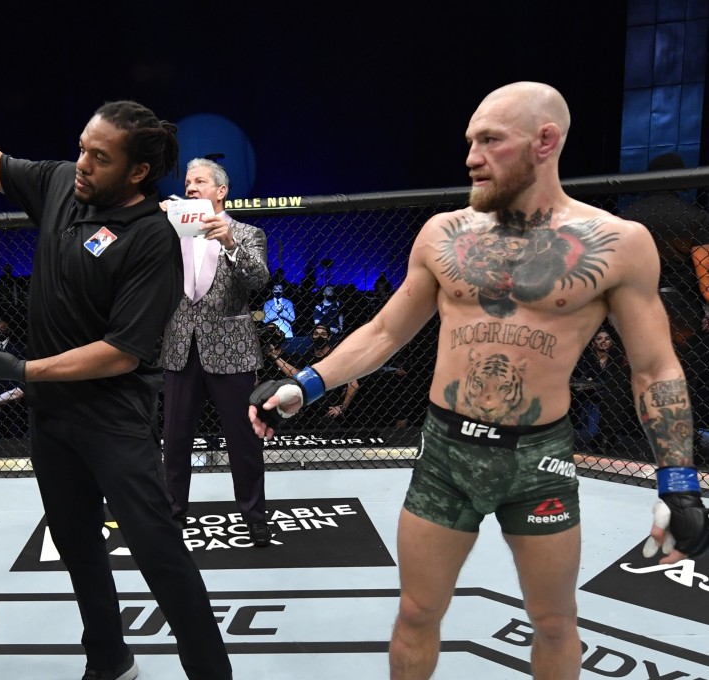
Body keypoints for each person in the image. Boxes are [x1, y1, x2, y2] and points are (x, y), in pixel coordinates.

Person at [249, 81, 709, 679]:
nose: (471, 156)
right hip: (446, 453)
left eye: (490, 140)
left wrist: (679, 481)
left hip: (539, 459)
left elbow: (655, 367)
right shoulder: (444, 234)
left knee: (554, 621)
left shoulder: (617, 243)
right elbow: (386, 331)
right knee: (417, 612)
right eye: (470, 141)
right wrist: (306, 384)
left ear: (545, 141)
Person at [0, 93, 232, 676]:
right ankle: (109, 659)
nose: (82, 163)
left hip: (112, 418)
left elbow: (121, 354)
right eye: (82, 148)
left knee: (158, 551)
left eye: (100, 157)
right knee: (76, 544)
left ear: (138, 171)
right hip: (51, 418)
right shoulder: (60, 186)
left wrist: (21, 371)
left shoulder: (151, 237)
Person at [159, 158, 271, 546]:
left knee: (244, 439)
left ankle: (254, 516)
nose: (190, 187)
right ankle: (173, 514)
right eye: (187, 182)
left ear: (221, 191)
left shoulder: (247, 232)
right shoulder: (170, 232)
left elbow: (258, 280)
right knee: (175, 440)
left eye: (200, 181)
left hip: (232, 351)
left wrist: (230, 243)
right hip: (180, 348)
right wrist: (154, 219)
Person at [619, 152, 709, 441]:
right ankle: (677, 436)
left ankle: (611, 437)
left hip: (633, 303)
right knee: (682, 372)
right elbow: (706, 277)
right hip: (681, 307)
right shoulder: (694, 217)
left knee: (627, 370)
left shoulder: (626, 217)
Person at [270, 324, 359, 432]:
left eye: (323, 334)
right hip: (309, 410)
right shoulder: (308, 356)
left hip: (328, 411)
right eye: (316, 334)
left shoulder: (336, 356)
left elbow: (353, 385)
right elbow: (296, 374)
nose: (319, 337)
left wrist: (342, 407)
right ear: (312, 337)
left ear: (329, 337)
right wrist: (276, 357)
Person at [569, 328, 627, 455]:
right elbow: (579, 381)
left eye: (607, 339)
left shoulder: (616, 362)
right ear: (593, 343)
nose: (603, 341)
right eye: (599, 338)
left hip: (609, 402)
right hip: (587, 401)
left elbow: (617, 384)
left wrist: (597, 384)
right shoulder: (585, 361)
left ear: (611, 343)